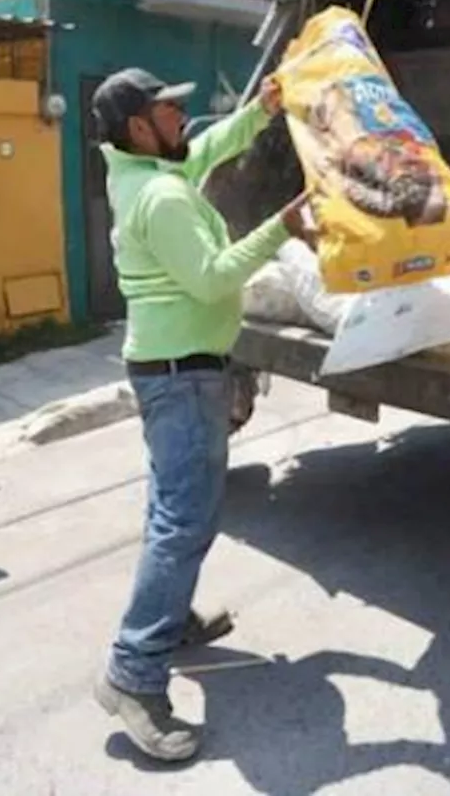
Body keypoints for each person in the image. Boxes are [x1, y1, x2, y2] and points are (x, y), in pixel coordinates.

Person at [89, 68, 312, 762]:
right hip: (182, 377)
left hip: (172, 369)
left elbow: (208, 147)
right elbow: (215, 276)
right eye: (168, 111)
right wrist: (282, 227)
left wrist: (260, 112)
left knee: (172, 509)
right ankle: (133, 672)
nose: (181, 119)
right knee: (186, 519)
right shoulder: (158, 195)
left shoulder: (146, 169)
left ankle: (169, 615)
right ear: (137, 128)